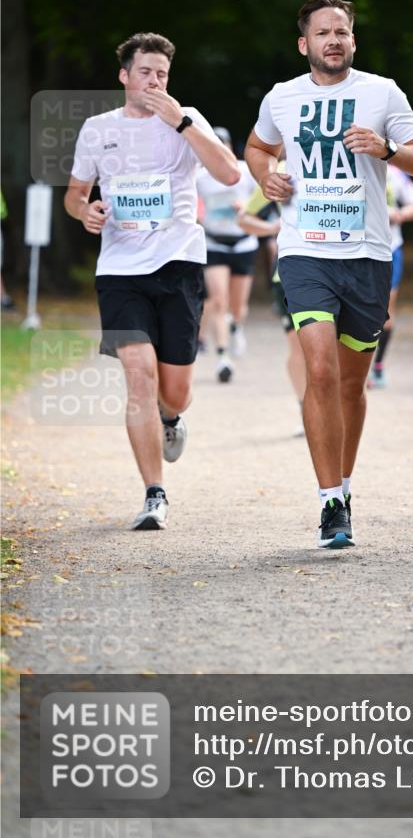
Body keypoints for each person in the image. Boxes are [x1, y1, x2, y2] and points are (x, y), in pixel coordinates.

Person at [244, 0, 413, 548]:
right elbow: (259, 147)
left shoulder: (382, 92)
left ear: (353, 40)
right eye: (323, 33)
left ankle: (345, 485)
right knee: (321, 370)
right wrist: (267, 176)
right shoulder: (283, 97)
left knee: (351, 385)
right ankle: (330, 503)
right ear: (304, 44)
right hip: (305, 250)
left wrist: (388, 148)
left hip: (369, 256)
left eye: (343, 32)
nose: (334, 40)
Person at [65, 32, 239, 530]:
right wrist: (86, 212)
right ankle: (153, 493)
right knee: (138, 375)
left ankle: (171, 419)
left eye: (162, 74)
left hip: (179, 264)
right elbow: (76, 193)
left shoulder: (188, 119)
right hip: (120, 270)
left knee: (175, 391)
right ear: (124, 76)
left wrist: (181, 121)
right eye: (145, 72)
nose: (154, 81)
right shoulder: (98, 129)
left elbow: (229, 175)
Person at [237, 168, 307, 434]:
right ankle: (306, 408)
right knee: (299, 347)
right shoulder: (282, 171)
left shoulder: (347, 159)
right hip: (290, 273)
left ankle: (332, 405)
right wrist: (272, 228)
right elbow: (243, 218)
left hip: (342, 270)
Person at [197, 127, 260, 382]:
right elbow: (188, 202)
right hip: (214, 244)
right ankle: (223, 357)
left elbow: (265, 195)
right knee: (219, 302)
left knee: (237, 306)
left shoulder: (245, 172)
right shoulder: (199, 177)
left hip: (244, 243)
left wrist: (248, 206)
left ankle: (236, 327)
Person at [368, 164, 413, 389]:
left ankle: (378, 366)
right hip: (356, 250)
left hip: (390, 249)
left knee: (386, 313)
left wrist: (400, 214)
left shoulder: (394, 173)